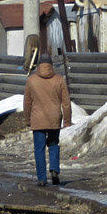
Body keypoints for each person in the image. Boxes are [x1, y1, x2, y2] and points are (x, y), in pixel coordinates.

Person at [23, 57, 72, 186]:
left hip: (38, 119)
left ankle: (42, 179)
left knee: (39, 148)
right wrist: (67, 121)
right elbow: (66, 103)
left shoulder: (31, 80)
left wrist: (27, 119)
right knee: (54, 143)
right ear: (51, 65)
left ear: (39, 65)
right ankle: (54, 170)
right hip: (54, 118)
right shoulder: (59, 79)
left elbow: (27, 102)